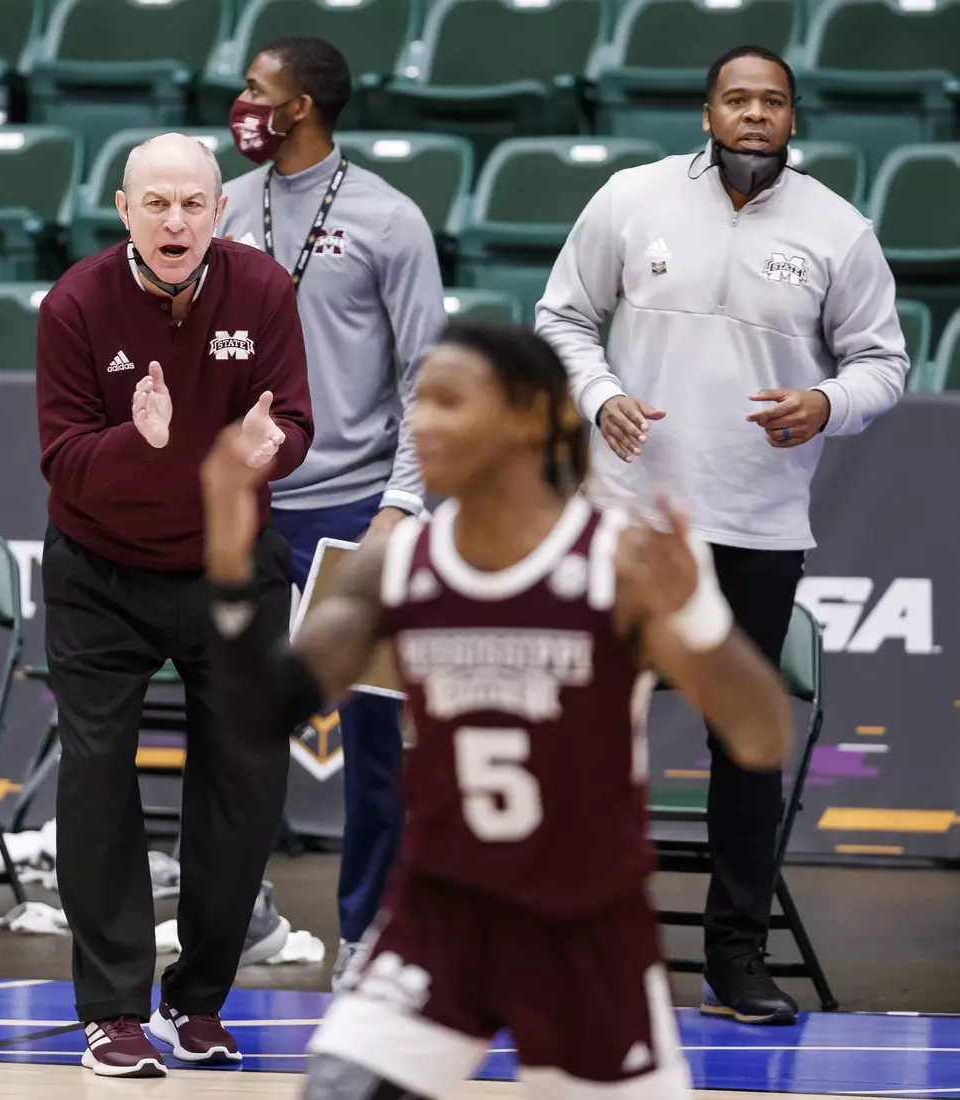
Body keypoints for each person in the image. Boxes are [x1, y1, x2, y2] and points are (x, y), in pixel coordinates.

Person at [197, 319, 795, 1099]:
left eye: (449, 401)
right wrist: (228, 566)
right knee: (340, 1088)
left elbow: (761, 736)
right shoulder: (398, 563)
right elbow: (256, 715)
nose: (421, 421)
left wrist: (698, 620)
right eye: (419, 402)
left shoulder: (615, 561)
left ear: (527, 414)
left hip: (583, 928)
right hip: (440, 917)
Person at [536, 44, 909, 1024]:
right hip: (627, 516)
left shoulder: (838, 227)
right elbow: (561, 319)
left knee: (745, 744)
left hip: (755, 524)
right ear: (706, 113)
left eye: (771, 102)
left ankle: (735, 959)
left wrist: (826, 401)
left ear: (792, 118)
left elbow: (884, 361)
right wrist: (601, 393)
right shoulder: (630, 198)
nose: (753, 114)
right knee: (590, 730)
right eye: (736, 99)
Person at [34, 132, 314, 1076]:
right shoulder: (74, 302)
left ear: (218, 210)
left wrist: (267, 451)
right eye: (155, 204)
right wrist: (139, 444)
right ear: (123, 213)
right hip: (99, 573)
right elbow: (65, 461)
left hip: (230, 567)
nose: (175, 220)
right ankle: (111, 1012)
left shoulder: (263, 290)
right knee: (98, 775)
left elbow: (296, 424)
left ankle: (198, 1004)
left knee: (244, 786)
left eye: (192, 203)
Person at [218, 35, 446, 982]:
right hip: (245, 507)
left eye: (255, 90)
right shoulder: (223, 206)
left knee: (372, 741)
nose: (240, 103)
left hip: (354, 508)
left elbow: (429, 376)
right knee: (229, 725)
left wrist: (400, 506)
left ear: (301, 105)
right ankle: (243, 913)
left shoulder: (390, 221)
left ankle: (369, 933)